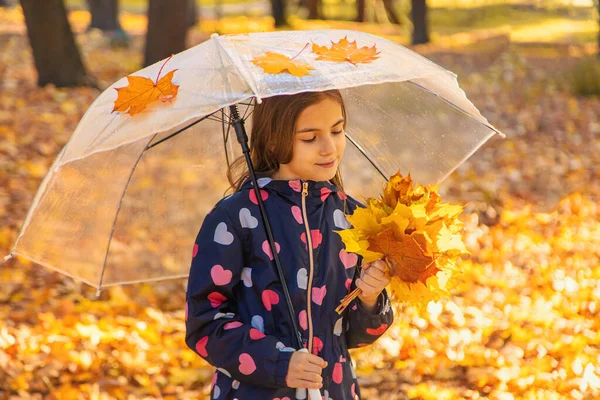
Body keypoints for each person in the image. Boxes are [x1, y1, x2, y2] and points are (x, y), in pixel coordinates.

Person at [185, 89, 394, 399]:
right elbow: (204, 325)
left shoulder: (352, 217)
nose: (329, 148)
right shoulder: (235, 218)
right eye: (309, 138)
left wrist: (369, 298)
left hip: (333, 389)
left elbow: (356, 335)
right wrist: (279, 363)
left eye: (337, 131)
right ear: (274, 140)